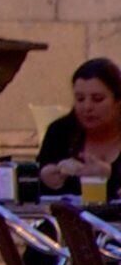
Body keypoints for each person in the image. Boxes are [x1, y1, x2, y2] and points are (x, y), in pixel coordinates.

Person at [26, 57, 121, 206]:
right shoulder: (60, 131)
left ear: (117, 101)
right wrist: (45, 178)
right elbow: (37, 190)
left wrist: (111, 175)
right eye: (80, 99)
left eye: (97, 99)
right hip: (67, 226)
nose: (87, 107)